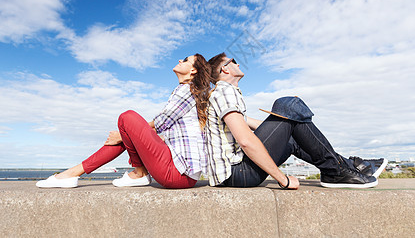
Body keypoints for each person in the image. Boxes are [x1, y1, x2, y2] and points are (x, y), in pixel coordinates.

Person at [205, 53, 387, 189]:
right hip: (238, 173)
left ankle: (343, 167)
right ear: (225, 69)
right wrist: (282, 179)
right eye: (234, 61)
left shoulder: (224, 94)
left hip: (234, 174)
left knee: (291, 127)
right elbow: (246, 141)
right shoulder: (225, 91)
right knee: (289, 105)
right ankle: (339, 170)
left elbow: (256, 127)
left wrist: (286, 127)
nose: (238, 63)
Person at [36, 54, 211, 189]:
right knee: (127, 129)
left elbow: (161, 122)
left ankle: (138, 173)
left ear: (193, 70)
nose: (180, 60)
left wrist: (123, 134)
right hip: (182, 174)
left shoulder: (187, 90)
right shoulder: (188, 91)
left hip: (177, 174)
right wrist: (127, 136)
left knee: (127, 117)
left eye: (186, 60)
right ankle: (74, 173)